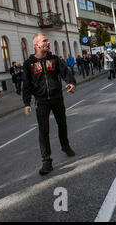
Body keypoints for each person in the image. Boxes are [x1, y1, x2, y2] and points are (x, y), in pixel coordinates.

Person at [22, 34, 77, 176]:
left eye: (47, 40)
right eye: (44, 41)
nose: (47, 42)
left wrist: (71, 83)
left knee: (62, 124)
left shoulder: (55, 59)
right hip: (41, 101)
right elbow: (26, 85)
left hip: (57, 97)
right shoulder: (29, 63)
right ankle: (46, 161)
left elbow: (66, 73)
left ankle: (65, 146)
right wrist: (26, 102)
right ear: (37, 45)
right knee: (43, 131)